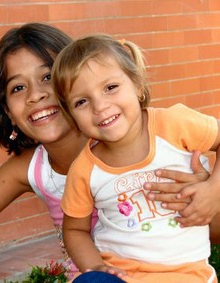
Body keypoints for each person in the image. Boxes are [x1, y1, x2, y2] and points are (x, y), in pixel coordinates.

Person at [0, 23, 218, 281]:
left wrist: (211, 193)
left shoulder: (152, 138)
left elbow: (210, 233)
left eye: (47, 77)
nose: (37, 95)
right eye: (18, 88)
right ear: (7, 111)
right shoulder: (29, 169)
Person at [53, 34, 220, 282]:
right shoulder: (85, 169)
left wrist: (214, 190)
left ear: (138, 85)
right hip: (120, 276)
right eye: (82, 101)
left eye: (110, 88)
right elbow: (75, 229)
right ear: (71, 116)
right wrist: (95, 266)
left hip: (186, 274)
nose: (99, 106)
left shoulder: (175, 124)